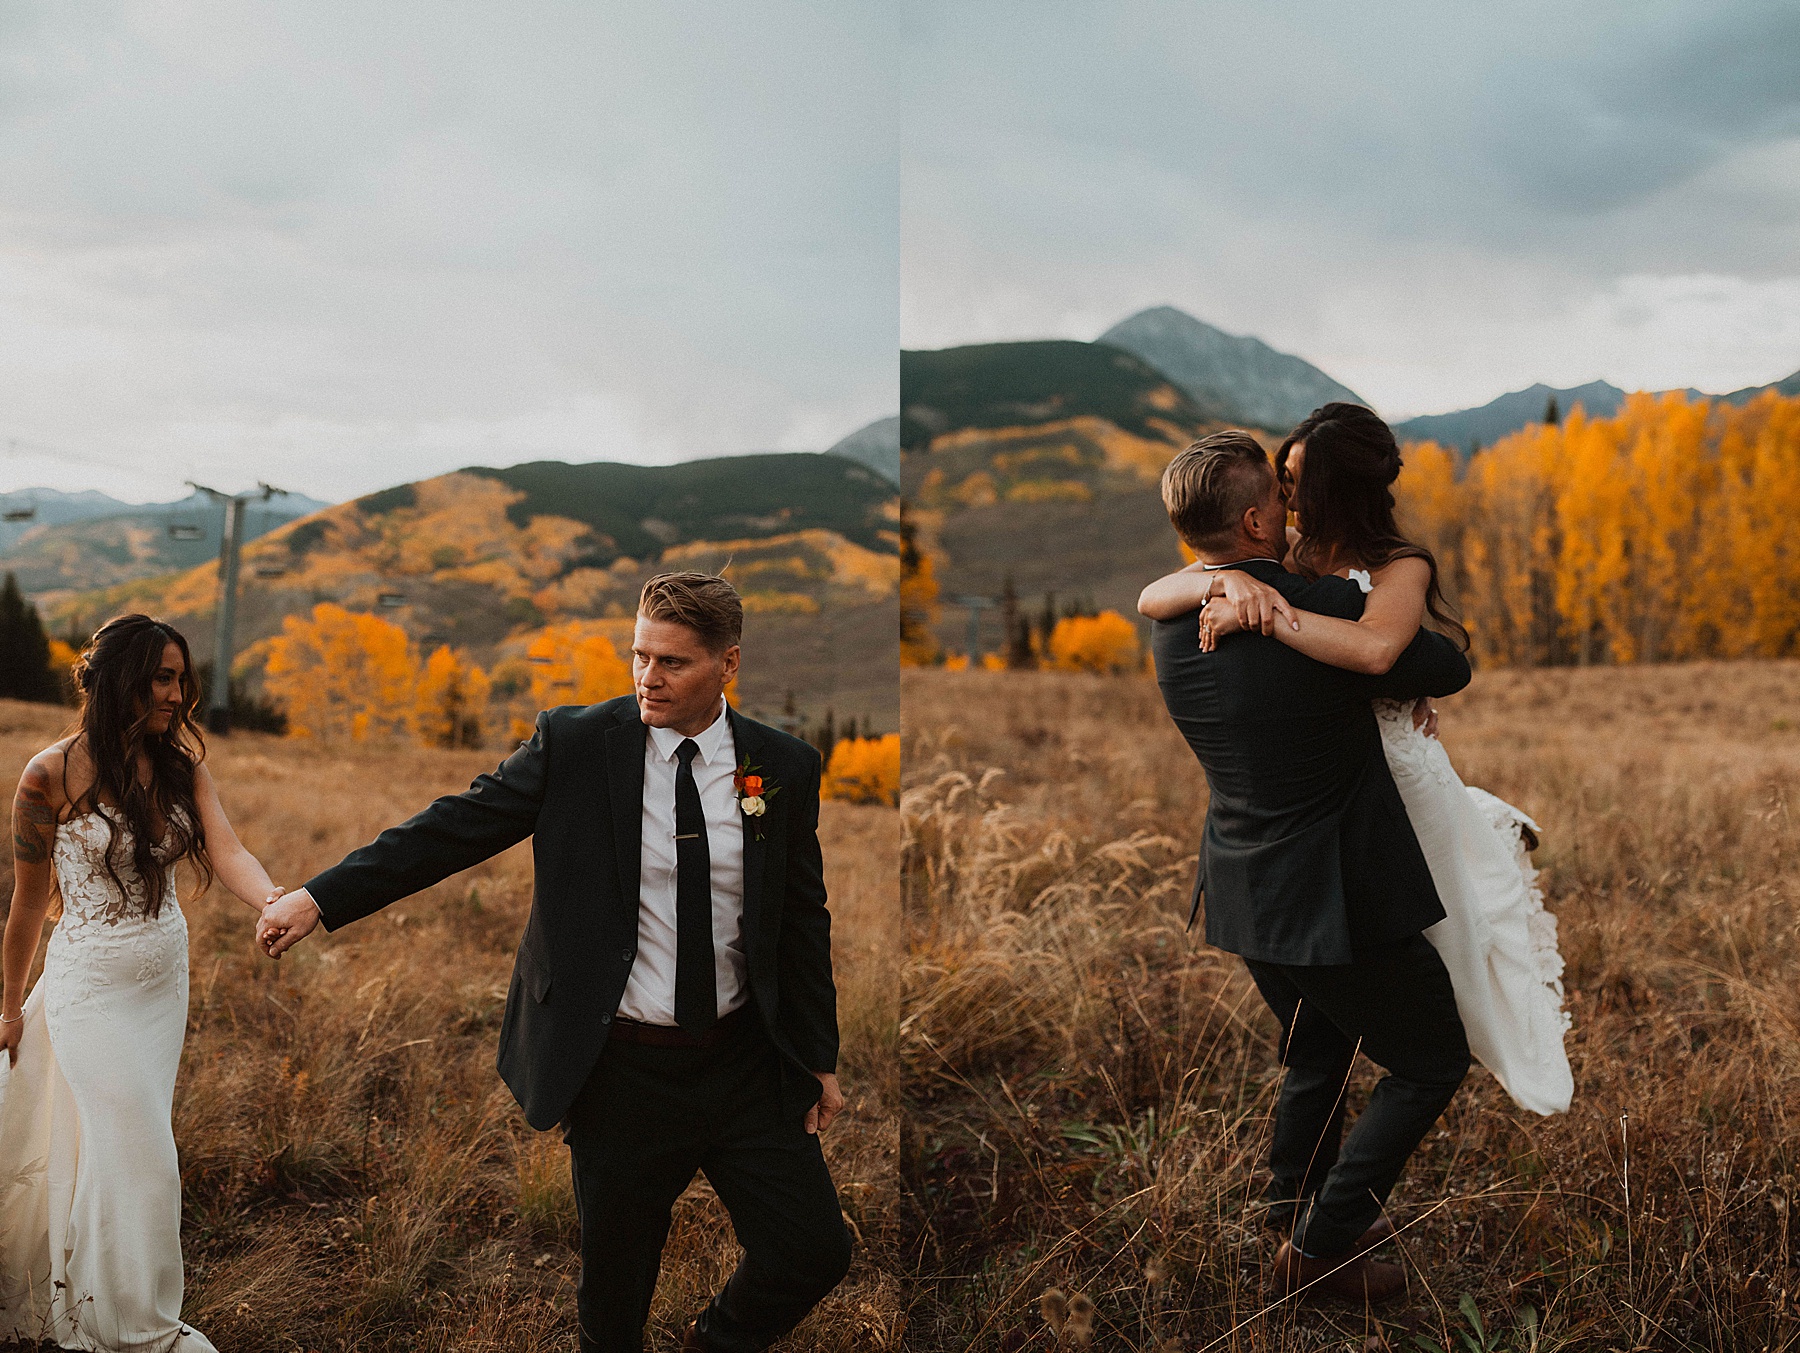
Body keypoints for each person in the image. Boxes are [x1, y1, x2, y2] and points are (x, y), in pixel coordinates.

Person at [254, 571, 852, 1353]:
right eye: (638, 655)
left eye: (671, 661)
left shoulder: (782, 766)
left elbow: (802, 919)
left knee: (813, 1249)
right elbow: (450, 829)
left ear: (727, 664)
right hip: (621, 1071)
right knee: (614, 1301)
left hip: (746, 1064)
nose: (647, 677)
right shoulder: (576, 745)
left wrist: (818, 1054)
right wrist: (320, 898)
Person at [1139, 403, 1572, 1120]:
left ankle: (1300, 1211)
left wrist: (1271, 607)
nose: (1287, 493)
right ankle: (1318, 1224)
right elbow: (1162, 590)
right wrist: (1222, 582)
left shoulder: (1365, 572)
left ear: (1337, 488)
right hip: (1333, 826)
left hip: (1330, 814)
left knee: (1445, 949)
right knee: (1403, 1035)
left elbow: (1383, 651)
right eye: (1281, 480)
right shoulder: (1293, 573)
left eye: (1298, 479)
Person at [1141, 430, 1474, 1303]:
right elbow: (1442, 660)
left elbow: (1159, 592)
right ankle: (1321, 1251)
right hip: (1335, 895)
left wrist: (1222, 579)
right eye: (1279, 499)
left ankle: (1286, 1212)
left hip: (1244, 893)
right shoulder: (1323, 605)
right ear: (1254, 516)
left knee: (1318, 1049)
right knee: (1432, 1059)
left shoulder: (1177, 630)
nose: (1292, 508)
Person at [0, 614, 285, 1351]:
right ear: (120, 679)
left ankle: (89, 1288)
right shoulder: (48, 775)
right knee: (145, 1156)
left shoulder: (182, 766)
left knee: (117, 1145)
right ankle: (138, 1328)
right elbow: (28, 905)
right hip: (88, 989)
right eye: (162, 676)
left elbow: (229, 851)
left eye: (180, 677)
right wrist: (7, 1005)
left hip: (162, 987)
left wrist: (275, 902)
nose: (175, 692)